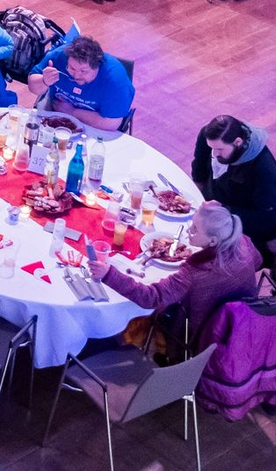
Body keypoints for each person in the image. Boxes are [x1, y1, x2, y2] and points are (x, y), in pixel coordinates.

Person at [89, 201, 262, 339]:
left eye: (195, 230)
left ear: (213, 241)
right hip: (246, 320)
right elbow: (258, 261)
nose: (188, 231)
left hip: (205, 334)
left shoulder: (195, 272)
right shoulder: (242, 241)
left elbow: (152, 297)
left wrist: (109, 274)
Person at [192, 116, 276, 252]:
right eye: (211, 148)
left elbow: (266, 219)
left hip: (241, 228)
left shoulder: (265, 170)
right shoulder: (208, 136)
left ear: (238, 142)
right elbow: (199, 166)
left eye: (220, 149)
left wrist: (221, 211)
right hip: (211, 206)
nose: (214, 153)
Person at [28, 32, 135, 132]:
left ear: (97, 67)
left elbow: (111, 124)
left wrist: (72, 112)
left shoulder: (114, 80)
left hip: (94, 125)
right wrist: (44, 81)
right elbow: (32, 86)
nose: (76, 75)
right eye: (72, 68)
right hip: (55, 113)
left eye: (83, 71)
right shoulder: (59, 56)